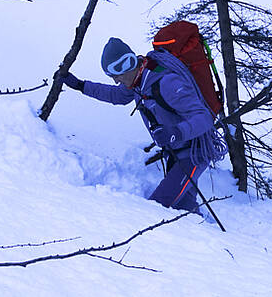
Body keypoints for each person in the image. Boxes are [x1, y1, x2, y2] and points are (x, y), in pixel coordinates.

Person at [58, 37, 226, 213]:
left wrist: (174, 133)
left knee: (157, 209)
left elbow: (204, 117)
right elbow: (116, 95)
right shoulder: (139, 82)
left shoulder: (166, 82)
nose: (116, 81)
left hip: (194, 153)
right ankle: (199, 233)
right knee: (183, 209)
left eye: (117, 76)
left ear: (128, 64)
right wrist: (80, 85)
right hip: (174, 153)